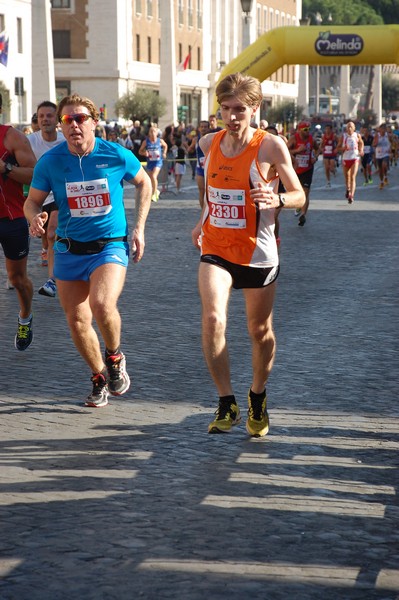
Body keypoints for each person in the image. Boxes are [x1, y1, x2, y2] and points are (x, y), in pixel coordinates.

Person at [191, 73, 304, 437]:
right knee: (212, 319)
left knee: (260, 331)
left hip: (258, 251)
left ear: (255, 108)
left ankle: (257, 396)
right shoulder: (208, 143)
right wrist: (201, 220)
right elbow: (208, 190)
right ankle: (227, 402)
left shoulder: (270, 146)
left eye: (240, 109)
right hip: (216, 246)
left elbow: (300, 195)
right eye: (226, 108)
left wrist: (279, 198)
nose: (232, 116)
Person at [24, 93, 152, 407]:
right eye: (68, 120)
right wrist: (34, 218)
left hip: (109, 246)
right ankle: (98, 377)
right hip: (69, 249)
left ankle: (114, 355)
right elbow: (32, 202)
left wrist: (139, 228)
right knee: (77, 321)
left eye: (81, 118)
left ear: (94, 123)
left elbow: (144, 183)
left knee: (101, 304)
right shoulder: (51, 162)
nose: (74, 125)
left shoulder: (115, 154)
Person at [0, 93, 37, 350]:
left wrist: (6, 169)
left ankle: (25, 316)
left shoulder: (12, 137)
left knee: (17, 279)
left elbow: (35, 175)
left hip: (10, 218)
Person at [28, 101, 65, 297]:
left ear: (57, 119)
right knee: (45, 235)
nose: (44, 119)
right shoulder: (30, 141)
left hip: (60, 194)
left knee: (51, 233)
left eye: (49, 116)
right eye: (41, 116)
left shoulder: (64, 141)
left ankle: (52, 280)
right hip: (39, 195)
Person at [287, 120, 319, 225]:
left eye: (309, 129)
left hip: (307, 169)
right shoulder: (294, 139)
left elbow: (318, 149)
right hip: (296, 169)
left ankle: (303, 215)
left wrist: (315, 157)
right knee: (296, 190)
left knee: (306, 191)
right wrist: (297, 151)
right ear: (300, 130)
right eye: (305, 129)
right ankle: (298, 206)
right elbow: (285, 151)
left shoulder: (311, 139)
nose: (307, 131)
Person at [336, 121, 364, 203]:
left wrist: (361, 150)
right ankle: (348, 189)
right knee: (347, 177)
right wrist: (343, 148)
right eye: (348, 127)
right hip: (345, 159)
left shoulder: (357, 135)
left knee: (353, 177)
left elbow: (361, 143)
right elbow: (337, 148)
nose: (349, 128)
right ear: (346, 128)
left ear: (354, 128)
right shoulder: (343, 136)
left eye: (351, 127)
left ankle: (351, 195)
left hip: (355, 158)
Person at [139, 124, 168, 202]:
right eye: (151, 131)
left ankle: (154, 193)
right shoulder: (146, 142)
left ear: (157, 133)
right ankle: (154, 190)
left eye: (154, 131)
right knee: (150, 178)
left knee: (154, 176)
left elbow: (165, 146)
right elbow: (140, 151)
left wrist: (164, 153)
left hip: (158, 162)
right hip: (150, 162)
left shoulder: (160, 141)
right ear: (149, 133)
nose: (152, 133)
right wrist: (144, 153)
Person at [194, 120, 210, 208]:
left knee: (209, 191)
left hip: (210, 168)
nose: (203, 128)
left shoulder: (212, 138)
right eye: (202, 127)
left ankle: (209, 210)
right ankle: (203, 212)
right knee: (201, 190)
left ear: (208, 128)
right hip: (200, 167)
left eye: (205, 127)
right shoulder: (196, 139)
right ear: (199, 128)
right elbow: (190, 149)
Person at [372, 123, 391, 190]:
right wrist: (375, 144)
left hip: (386, 154)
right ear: (379, 130)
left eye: (384, 129)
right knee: (380, 170)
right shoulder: (377, 136)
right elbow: (373, 144)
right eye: (381, 129)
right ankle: (382, 181)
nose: (383, 131)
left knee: (384, 165)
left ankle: (385, 176)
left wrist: (390, 149)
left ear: (385, 130)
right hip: (378, 154)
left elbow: (391, 142)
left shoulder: (387, 135)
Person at [319, 123, 338, 187]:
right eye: (326, 129)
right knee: (326, 168)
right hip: (326, 153)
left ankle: (333, 170)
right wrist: (321, 149)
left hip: (332, 153)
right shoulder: (323, 136)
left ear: (331, 130)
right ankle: (328, 181)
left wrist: (337, 149)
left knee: (331, 168)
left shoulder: (334, 136)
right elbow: (321, 145)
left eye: (328, 129)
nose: (327, 130)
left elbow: (339, 143)